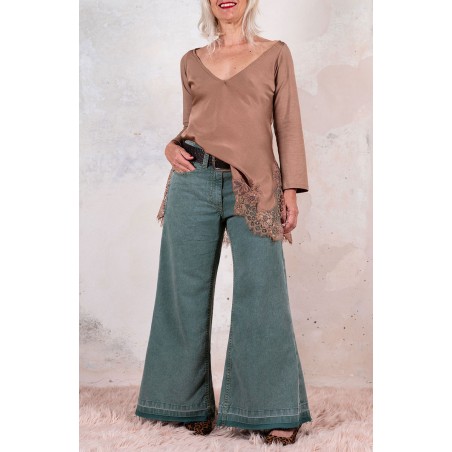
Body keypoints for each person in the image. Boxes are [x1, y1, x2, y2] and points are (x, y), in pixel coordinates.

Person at [135, 0, 313, 446]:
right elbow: (194, 123)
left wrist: (291, 189)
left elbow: (288, 125)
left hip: (254, 185)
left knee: (263, 292)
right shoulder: (192, 61)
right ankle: (182, 404)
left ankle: (271, 410)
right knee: (182, 292)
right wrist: (171, 146)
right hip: (192, 180)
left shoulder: (275, 53)